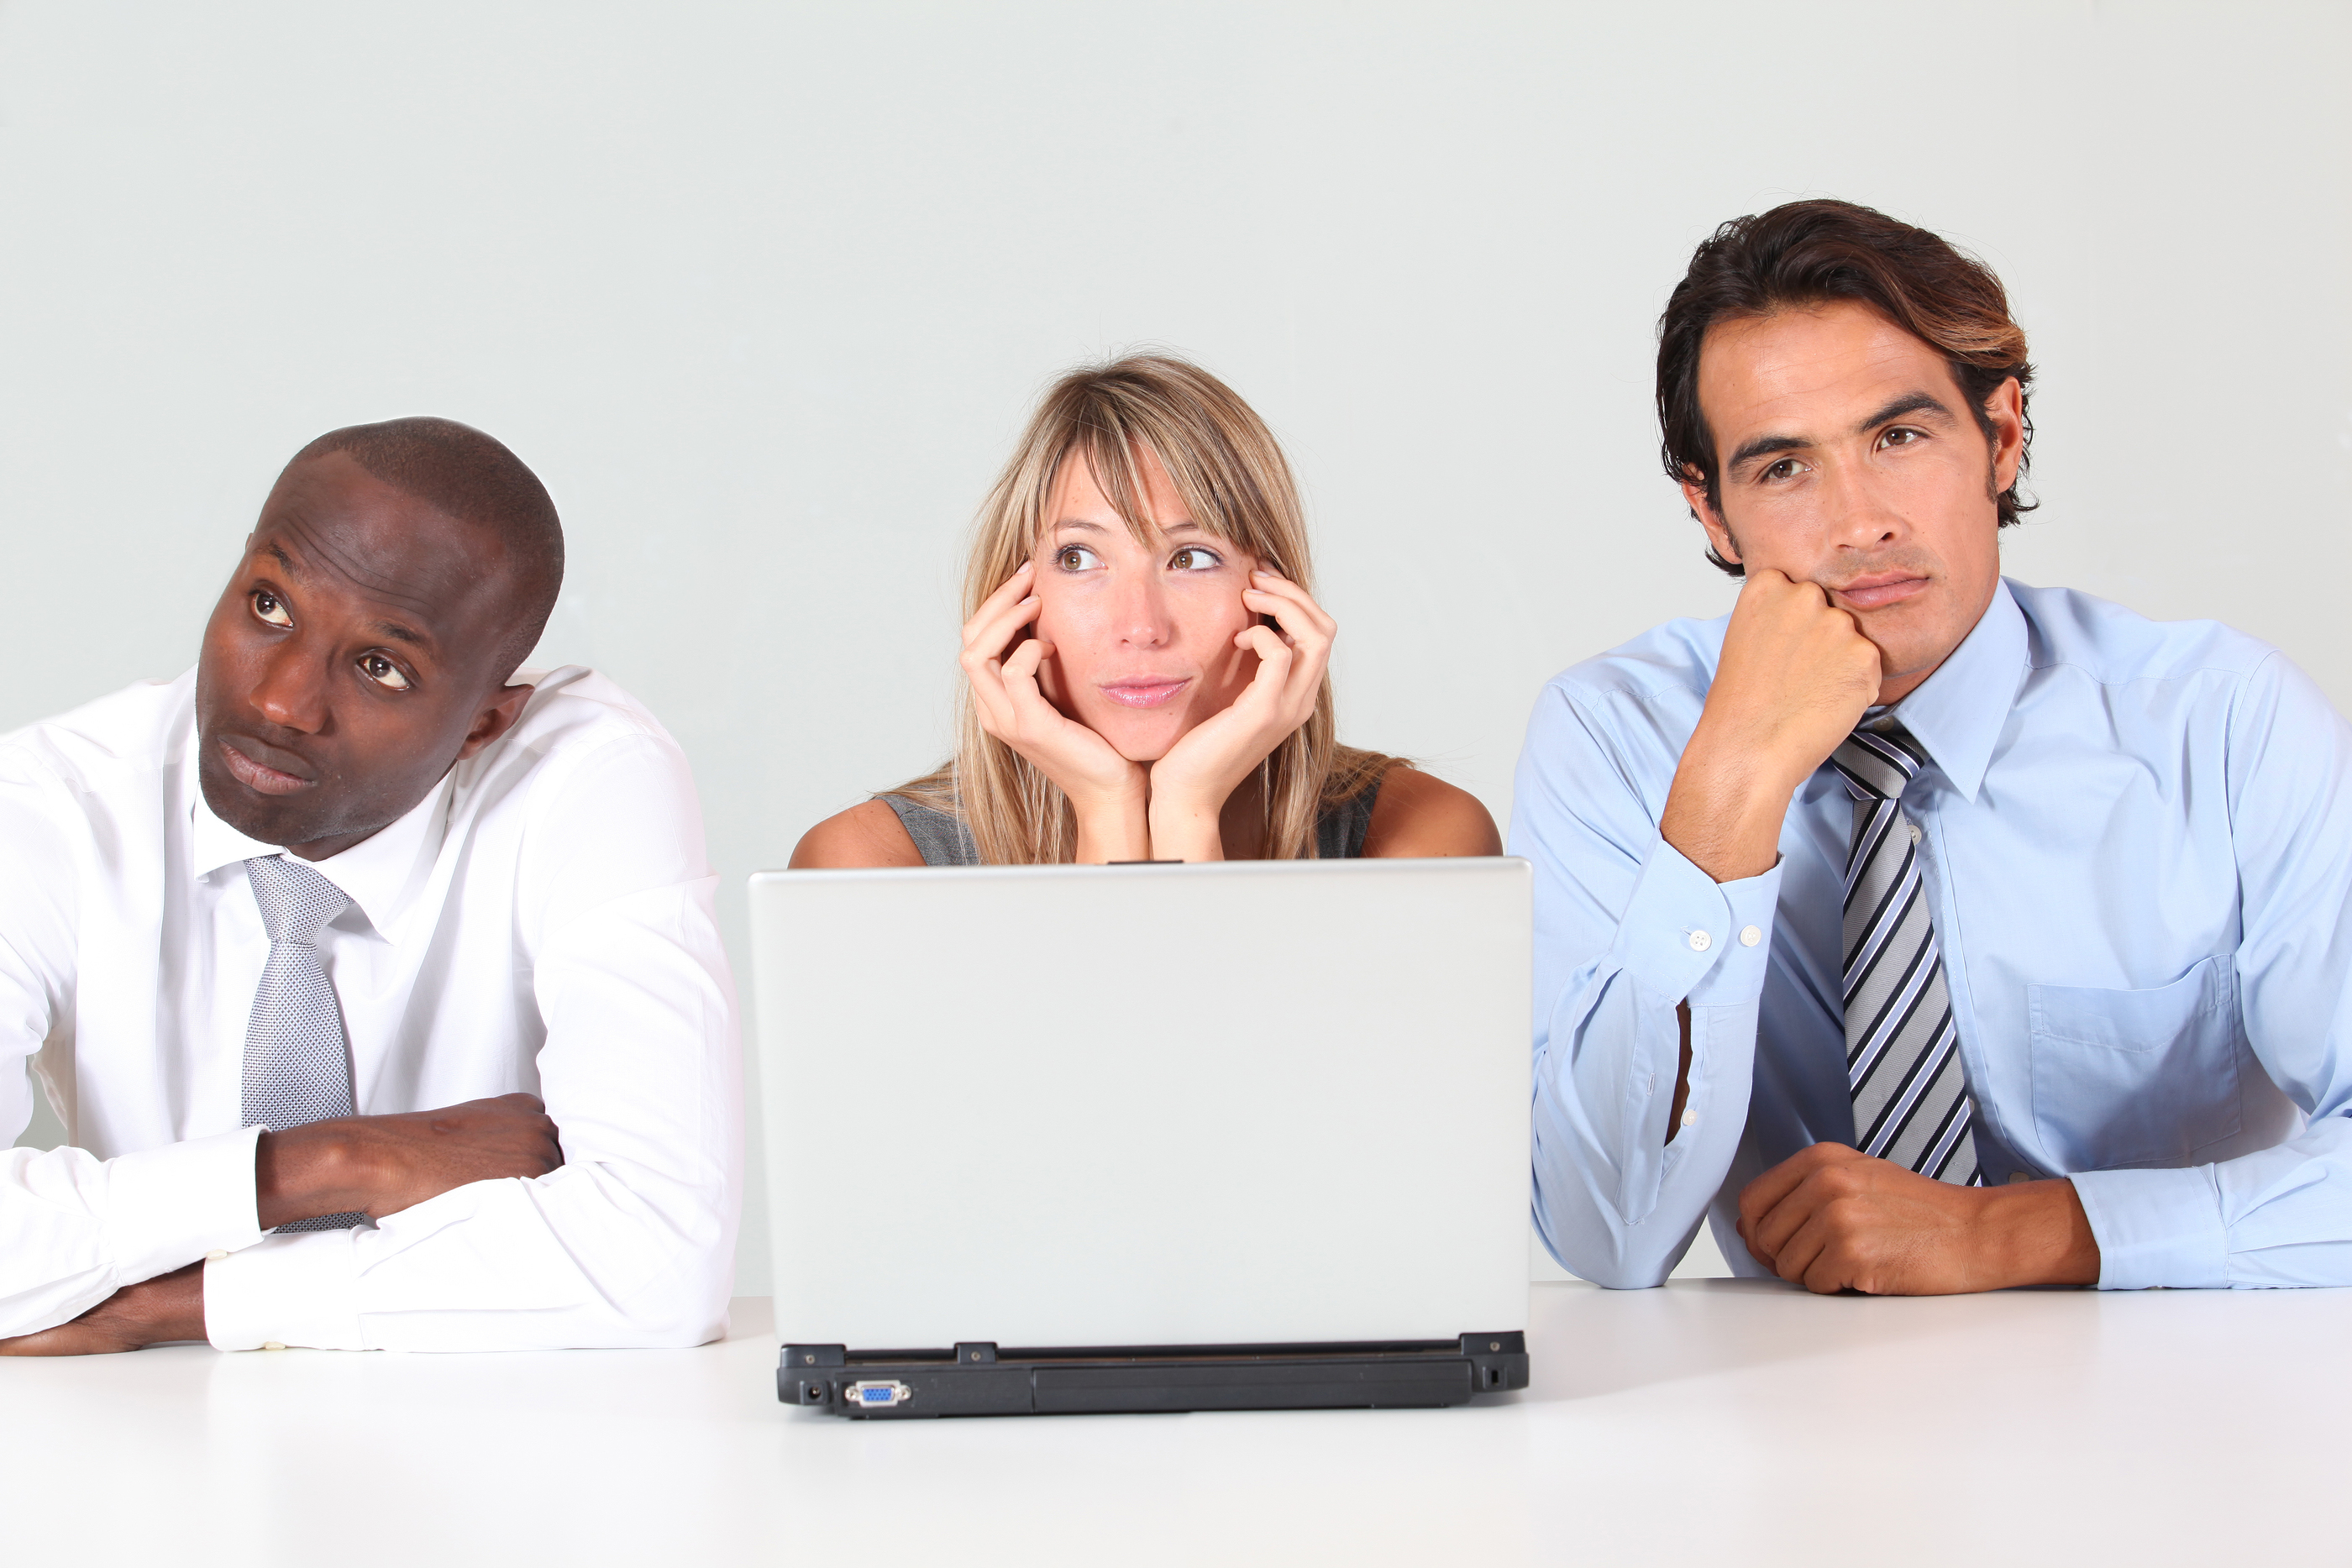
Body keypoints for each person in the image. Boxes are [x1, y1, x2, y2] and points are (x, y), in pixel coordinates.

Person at [1514, 199, 2352, 1295]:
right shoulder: (1616, 735)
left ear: (2000, 438)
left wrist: (2023, 1232)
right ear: (1711, 512)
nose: (1859, 523)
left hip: (2178, 1382)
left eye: (1898, 438)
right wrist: (1731, 790)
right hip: (1788, 1389)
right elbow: (1604, 1235)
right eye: (1783, 468)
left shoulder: (2220, 722)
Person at [0, 417, 740, 1354]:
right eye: (269, 605)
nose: (280, 702)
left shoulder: (583, 780)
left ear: (483, 724)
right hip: (146, 1427)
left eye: (381, 667)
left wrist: (180, 1305)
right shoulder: (51, 806)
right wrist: (325, 1164)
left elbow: (661, 1259)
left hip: (495, 1425)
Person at [794, 354, 1498, 868]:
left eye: (1191, 557)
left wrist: (1187, 811)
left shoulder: (1422, 839)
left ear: (1275, 594)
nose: (1140, 626)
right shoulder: (869, 864)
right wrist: (1109, 810)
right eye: (1079, 558)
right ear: (1014, 599)